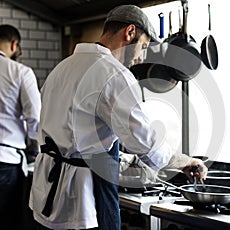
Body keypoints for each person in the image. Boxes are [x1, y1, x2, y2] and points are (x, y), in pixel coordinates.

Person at [29, 5, 207, 230]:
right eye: (142, 46)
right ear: (129, 32)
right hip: (83, 201)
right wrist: (185, 161)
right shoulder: (113, 74)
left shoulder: (62, 67)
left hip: (47, 194)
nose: (141, 58)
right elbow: (145, 143)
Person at [0, 24, 41, 229]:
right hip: (6, 162)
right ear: (15, 44)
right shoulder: (19, 72)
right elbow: (35, 117)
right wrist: (39, 146)